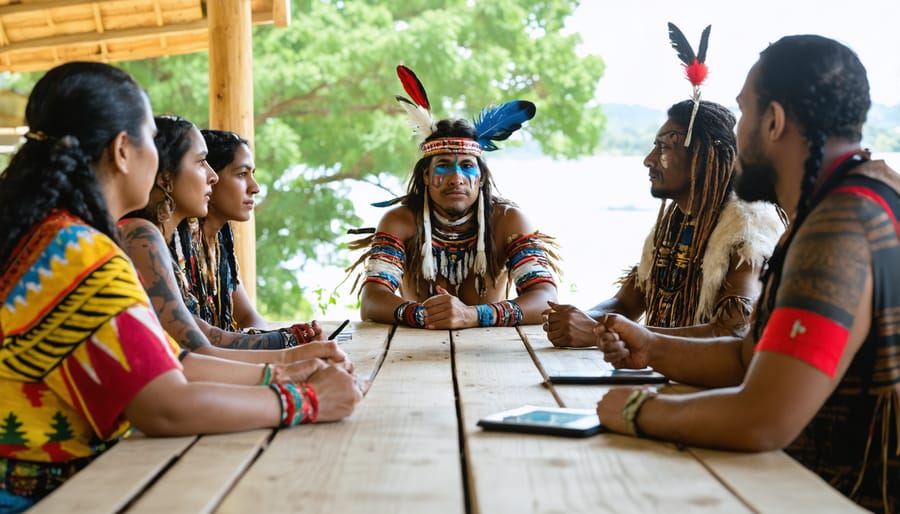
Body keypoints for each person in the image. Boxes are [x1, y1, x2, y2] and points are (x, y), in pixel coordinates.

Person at [0, 62, 361, 512]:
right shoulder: (77, 252)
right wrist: (306, 401)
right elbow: (164, 405)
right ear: (123, 151)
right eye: (151, 138)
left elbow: (169, 362)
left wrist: (286, 368)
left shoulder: (45, 236)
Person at [594, 35, 898, 512]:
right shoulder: (864, 198)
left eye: (743, 113)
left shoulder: (838, 229)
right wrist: (651, 346)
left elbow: (763, 418)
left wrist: (636, 410)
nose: (735, 136)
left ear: (773, 121)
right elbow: (750, 357)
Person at [543, 106, 784, 347]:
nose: (648, 160)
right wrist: (577, 320)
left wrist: (599, 331)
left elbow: (732, 332)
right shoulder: (674, 222)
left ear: (702, 157)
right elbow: (625, 304)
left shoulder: (748, 228)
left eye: (664, 147)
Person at [120, 116, 342, 363]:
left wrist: (293, 344)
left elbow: (213, 336)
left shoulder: (160, 236)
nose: (212, 177)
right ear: (165, 177)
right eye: (202, 162)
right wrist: (292, 346)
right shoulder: (142, 236)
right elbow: (199, 346)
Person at [352, 65, 559, 329]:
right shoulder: (400, 222)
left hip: (489, 357)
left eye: (467, 166)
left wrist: (474, 316)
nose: (456, 177)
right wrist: (422, 314)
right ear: (426, 176)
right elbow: (371, 302)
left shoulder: (507, 222)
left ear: (481, 177)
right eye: (444, 164)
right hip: (414, 353)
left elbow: (545, 299)